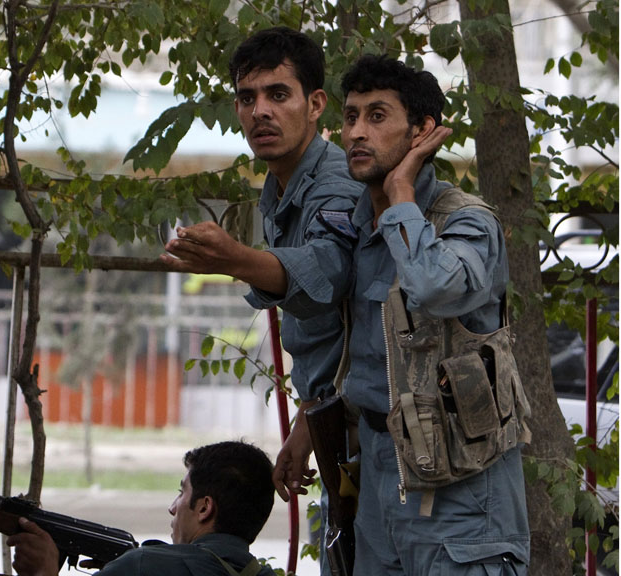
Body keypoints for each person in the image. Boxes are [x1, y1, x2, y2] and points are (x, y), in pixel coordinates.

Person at [158, 26, 360, 569]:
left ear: (316, 104)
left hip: (377, 437)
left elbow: (326, 277)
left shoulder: (336, 180)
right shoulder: (280, 185)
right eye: (248, 98)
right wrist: (307, 425)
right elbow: (336, 331)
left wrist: (234, 260)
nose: (260, 112)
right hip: (335, 421)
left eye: (278, 94)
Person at [339, 54, 530, 574]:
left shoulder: (466, 221)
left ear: (423, 131)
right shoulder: (358, 227)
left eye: (377, 116)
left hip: (460, 490)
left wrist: (402, 194)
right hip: (381, 471)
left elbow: (434, 288)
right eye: (351, 116)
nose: (357, 131)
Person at [8, 441, 277, 575]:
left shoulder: (142, 565)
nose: (173, 508)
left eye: (182, 492)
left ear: (205, 508)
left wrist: (43, 570)